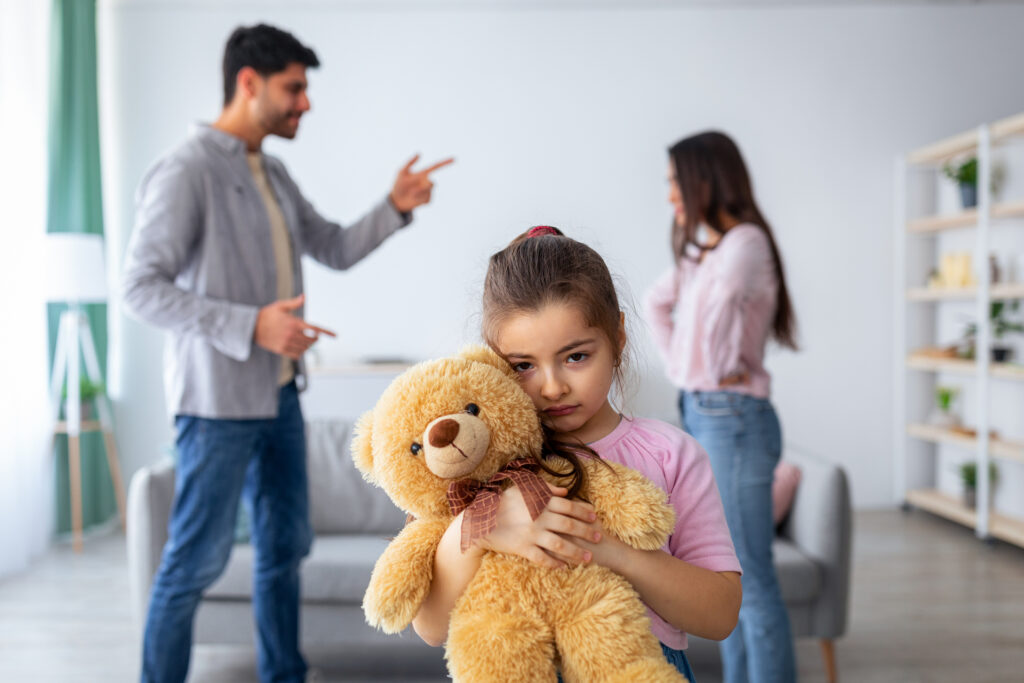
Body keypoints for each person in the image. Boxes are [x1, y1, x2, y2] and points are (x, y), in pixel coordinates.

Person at [121, 23, 452, 683]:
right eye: (294, 88)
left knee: (282, 550)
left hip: (279, 398)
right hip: (215, 408)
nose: (305, 103)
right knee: (192, 561)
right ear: (250, 84)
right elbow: (139, 288)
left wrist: (393, 205)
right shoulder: (186, 171)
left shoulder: (270, 170)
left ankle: (284, 673)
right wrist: (252, 326)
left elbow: (333, 245)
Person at [411, 225, 743, 680]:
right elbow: (429, 626)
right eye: (523, 366)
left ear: (618, 336)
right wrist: (482, 525)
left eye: (576, 357)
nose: (552, 387)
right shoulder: (476, 458)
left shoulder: (670, 454)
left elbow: (721, 614)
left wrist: (614, 552)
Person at [644, 131, 799, 683]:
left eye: (674, 183)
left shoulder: (745, 246)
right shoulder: (706, 251)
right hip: (704, 408)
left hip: (733, 416)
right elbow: (655, 304)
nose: (670, 197)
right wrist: (687, 375)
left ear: (704, 178)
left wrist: (700, 371)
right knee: (724, 574)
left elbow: (711, 348)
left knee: (751, 580)